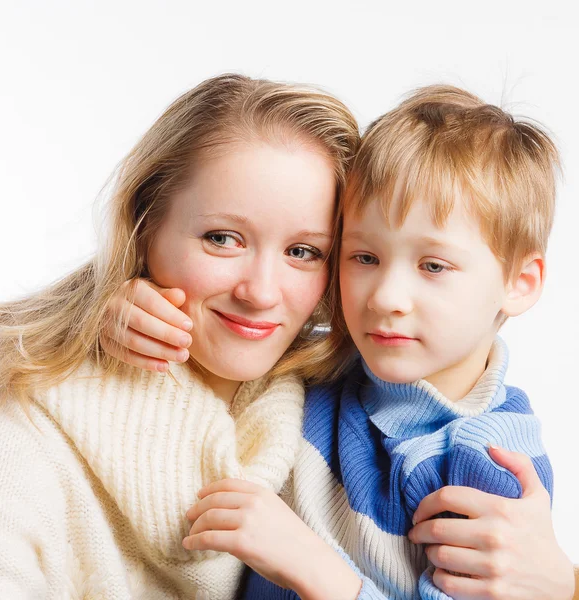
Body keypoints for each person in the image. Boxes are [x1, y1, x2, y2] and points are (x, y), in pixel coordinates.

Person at [106, 85, 578, 600]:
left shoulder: (489, 466)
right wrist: (112, 310)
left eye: (433, 266)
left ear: (521, 283)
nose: (387, 297)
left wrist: (314, 568)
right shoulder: (328, 363)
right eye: (364, 258)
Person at [0, 74, 361, 599]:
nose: (260, 292)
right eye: (222, 239)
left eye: (304, 252)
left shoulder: (332, 425)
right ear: (145, 226)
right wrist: (88, 308)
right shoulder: (26, 432)